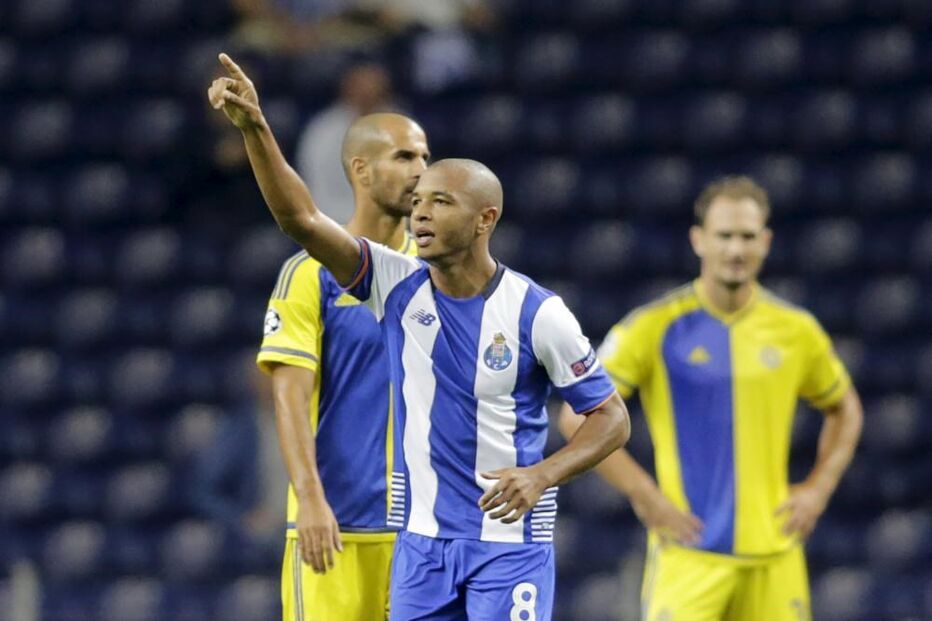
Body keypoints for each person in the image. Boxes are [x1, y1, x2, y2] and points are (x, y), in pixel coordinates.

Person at [208, 52, 631, 620]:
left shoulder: (536, 310)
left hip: (500, 542)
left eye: (439, 196)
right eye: (417, 186)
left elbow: (611, 415)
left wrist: (543, 475)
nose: (421, 205)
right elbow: (301, 221)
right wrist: (257, 128)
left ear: (485, 219)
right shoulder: (392, 284)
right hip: (410, 541)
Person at [560, 176, 864, 621]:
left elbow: (845, 409)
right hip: (689, 555)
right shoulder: (654, 326)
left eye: (747, 237)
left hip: (775, 555)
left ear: (766, 241)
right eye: (724, 236)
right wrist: (644, 494)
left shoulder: (797, 331)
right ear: (699, 240)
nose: (736, 250)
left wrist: (819, 488)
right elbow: (576, 416)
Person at [257, 111, 428, 621]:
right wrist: (310, 500)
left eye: (424, 155)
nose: (421, 168)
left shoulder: (443, 274)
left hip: (425, 534)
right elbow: (287, 396)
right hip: (337, 527)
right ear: (361, 170)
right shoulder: (310, 274)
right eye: (404, 157)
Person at [294, 63, 395, 225]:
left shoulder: (402, 126)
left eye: (373, 91)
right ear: (346, 91)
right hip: (336, 226)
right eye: (360, 90)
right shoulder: (324, 131)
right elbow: (316, 193)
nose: (366, 96)